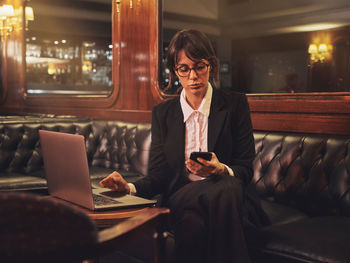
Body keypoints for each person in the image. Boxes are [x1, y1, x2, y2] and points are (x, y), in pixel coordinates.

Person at [100, 29, 268, 263]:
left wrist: (220, 170)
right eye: (184, 69)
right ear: (175, 71)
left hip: (225, 199)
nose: (193, 76)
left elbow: (245, 169)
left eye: (199, 66)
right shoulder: (163, 114)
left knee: (213, 201)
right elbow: (159, 175)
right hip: (183, 194)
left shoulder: (235, 105)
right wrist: (128, 187)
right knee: (225, 190)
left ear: (211, 65)